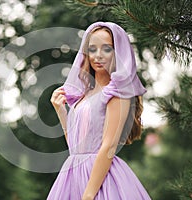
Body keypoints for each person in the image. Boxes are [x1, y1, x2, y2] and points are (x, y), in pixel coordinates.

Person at [48, 21, 151, 200]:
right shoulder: (83, 95)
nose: (98, 56)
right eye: (93, 49)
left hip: (101, 181)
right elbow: (77, 147)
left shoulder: (117, 92)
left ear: (117, 53)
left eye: (107, 49)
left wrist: (88, 195)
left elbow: (109, 146)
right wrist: (61, 112)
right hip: (72, 176)